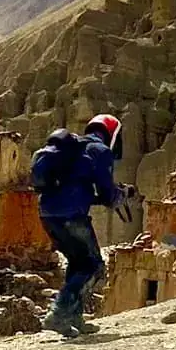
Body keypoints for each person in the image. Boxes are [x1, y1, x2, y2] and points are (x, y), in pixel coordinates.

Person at [32, 113, 124, 338]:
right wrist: (121, 194)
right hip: (71, 216)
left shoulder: (73, 150)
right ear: (112, 134)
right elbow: (107, 194)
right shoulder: (100, 151)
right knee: (93, 265)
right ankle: (59, 313)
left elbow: (78, 190)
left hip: (47, 214)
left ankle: (74, 318)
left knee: (77, 263)